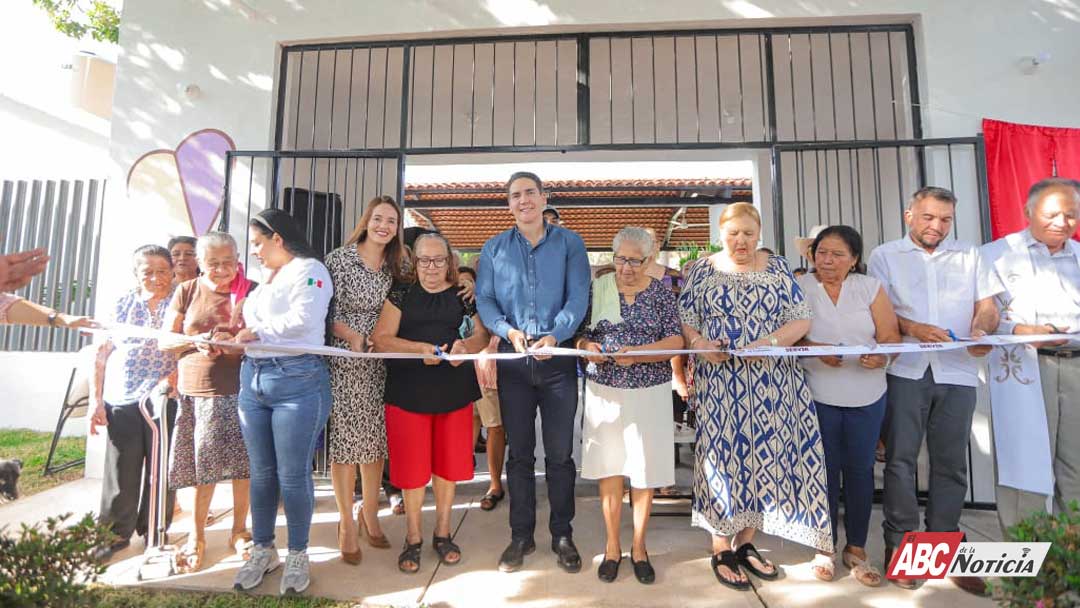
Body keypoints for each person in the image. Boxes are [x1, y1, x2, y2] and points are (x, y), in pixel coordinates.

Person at [678, 202, 831, 590]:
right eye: (733, 234)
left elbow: (801, 318)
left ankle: (746, 542)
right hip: (720, 382)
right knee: (720, 458)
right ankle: (720, 545)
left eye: (748, 233)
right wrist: (700, 344)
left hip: (773, 382)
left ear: (759, 233)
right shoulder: (703, 270)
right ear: (721, 235)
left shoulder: (778, 267)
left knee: (764, 457)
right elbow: (687, 320)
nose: (741, 241)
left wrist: (768, 344)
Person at [868, 186, 998, 595]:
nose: (936, 226)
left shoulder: (970, 254)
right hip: (906, 370)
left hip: (957, 371)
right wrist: (914, 329)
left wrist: (982, 329)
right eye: (928, 217)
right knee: (900, 461)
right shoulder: (885, 255)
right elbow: (881, 311)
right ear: (909, 215)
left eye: (945, 219)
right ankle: (900, 549)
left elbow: (988, 306)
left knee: (951, 465)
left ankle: (944, 551)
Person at [476, 171, 591, 574]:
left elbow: (578, 297)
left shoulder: (570, 244)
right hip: (514, 360)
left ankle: (562, 535)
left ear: (544, 198)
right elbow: (485, 300)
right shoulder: (493, 248)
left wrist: (555, 335)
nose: (523, 200)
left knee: (560, 454)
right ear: (508, 203)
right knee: (520, 454)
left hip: (557, 360)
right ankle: (520, 536)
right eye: (515, 195)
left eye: (529, 193)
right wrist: (507, 331)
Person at [372, 233, 489, 573]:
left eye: (439, 260)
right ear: (415, 261)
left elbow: (481, 335)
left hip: (454, 391)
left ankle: (442, 532)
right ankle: (413, 538)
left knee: (448, 467)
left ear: (450, 262)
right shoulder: (400, 293)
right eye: (424, 260)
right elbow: (381, 339)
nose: (432, 267)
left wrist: (465, 348)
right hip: (407, 392)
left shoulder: (463, 295)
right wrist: (418, 349)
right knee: (411, 471)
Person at [230, 209, 333, 596]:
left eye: (258, 243)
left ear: (278, 238)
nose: (254, 251)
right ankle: (263, 550)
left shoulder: (312, 270)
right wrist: (237, 332)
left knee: (292, 474)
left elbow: (304, 321)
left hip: (297, 380)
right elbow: (256, 327)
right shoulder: (266, 280)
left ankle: (298, 554)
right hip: (253, 379)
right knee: (261, 472)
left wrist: (254, 331)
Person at [576, 227, 683, 585]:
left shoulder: (661, 294)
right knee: (609, 469)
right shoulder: (599, 289)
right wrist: (588, 348)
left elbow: (675, 340)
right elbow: (581, 335)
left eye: (635, 261)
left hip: (650, 391)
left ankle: (639, 547)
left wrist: (638, 354)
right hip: (605, 391)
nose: (626, 268)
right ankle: (612, 547)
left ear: (649, 260)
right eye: (620, 259)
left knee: (644, 470)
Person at [796, 225, 901, 586]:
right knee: (822, 470)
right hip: (817, 393)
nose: (827, 260)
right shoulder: (800, 287)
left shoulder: (869, 288)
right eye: (822, 252)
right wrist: (816, 349)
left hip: (867, 394)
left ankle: (856, 548)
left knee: (859, 471)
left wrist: (882, 357)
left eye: (837, 254)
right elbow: (790, 337)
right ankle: (823, 547)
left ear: (854, 259)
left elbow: (890, 337)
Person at [982, 178, 1080, 532]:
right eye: (1052, 214)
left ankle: (1069, 556)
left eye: (1071, 214)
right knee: (1023, 464)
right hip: (1025, 366)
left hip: (1076, 366)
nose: (1062, 222)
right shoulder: (995, 255)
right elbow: (981, 318)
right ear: (1028, 211)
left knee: (1076, 468)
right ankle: (1027, 557)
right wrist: (1021, 331)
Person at [157, 231, 254, 573]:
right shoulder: (186, 290)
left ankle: (240, 530)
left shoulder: (252, 291)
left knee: (245, 465)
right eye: (213, 263)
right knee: (205, 467)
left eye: (228, 262)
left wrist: (237, 340)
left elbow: (267, 336)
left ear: (238, 260)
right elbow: (165, 340)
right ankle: (196, 536)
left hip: (244, 388)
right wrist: (196, 340)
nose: (222, 270)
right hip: (200, 391)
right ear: (200, 262)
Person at [324, 196, 408, 564]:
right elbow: (323, 311)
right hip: (346, 358)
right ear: (366, 221)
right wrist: (352, 336)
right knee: (346, 441)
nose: (383, 226)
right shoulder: (339, 259)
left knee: (375, 439)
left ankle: (370, 512)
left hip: (382, 361)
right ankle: (346, 521)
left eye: (391, 221)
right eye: (378, 218)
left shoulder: (398, 265)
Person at [89, 245, 178, 563]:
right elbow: (100, 353)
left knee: (162, 469)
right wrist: (96, 400)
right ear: (136, 274)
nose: (156, 278)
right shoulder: (121, 303)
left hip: (164, 398)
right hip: (122, 397)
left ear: (173, 272)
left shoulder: (180, 301)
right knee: (120, 470)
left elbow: (190, 348)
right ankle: (112, 536)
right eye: (147, 272)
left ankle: (155, 531)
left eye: (162, 271)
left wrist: (174, 378)